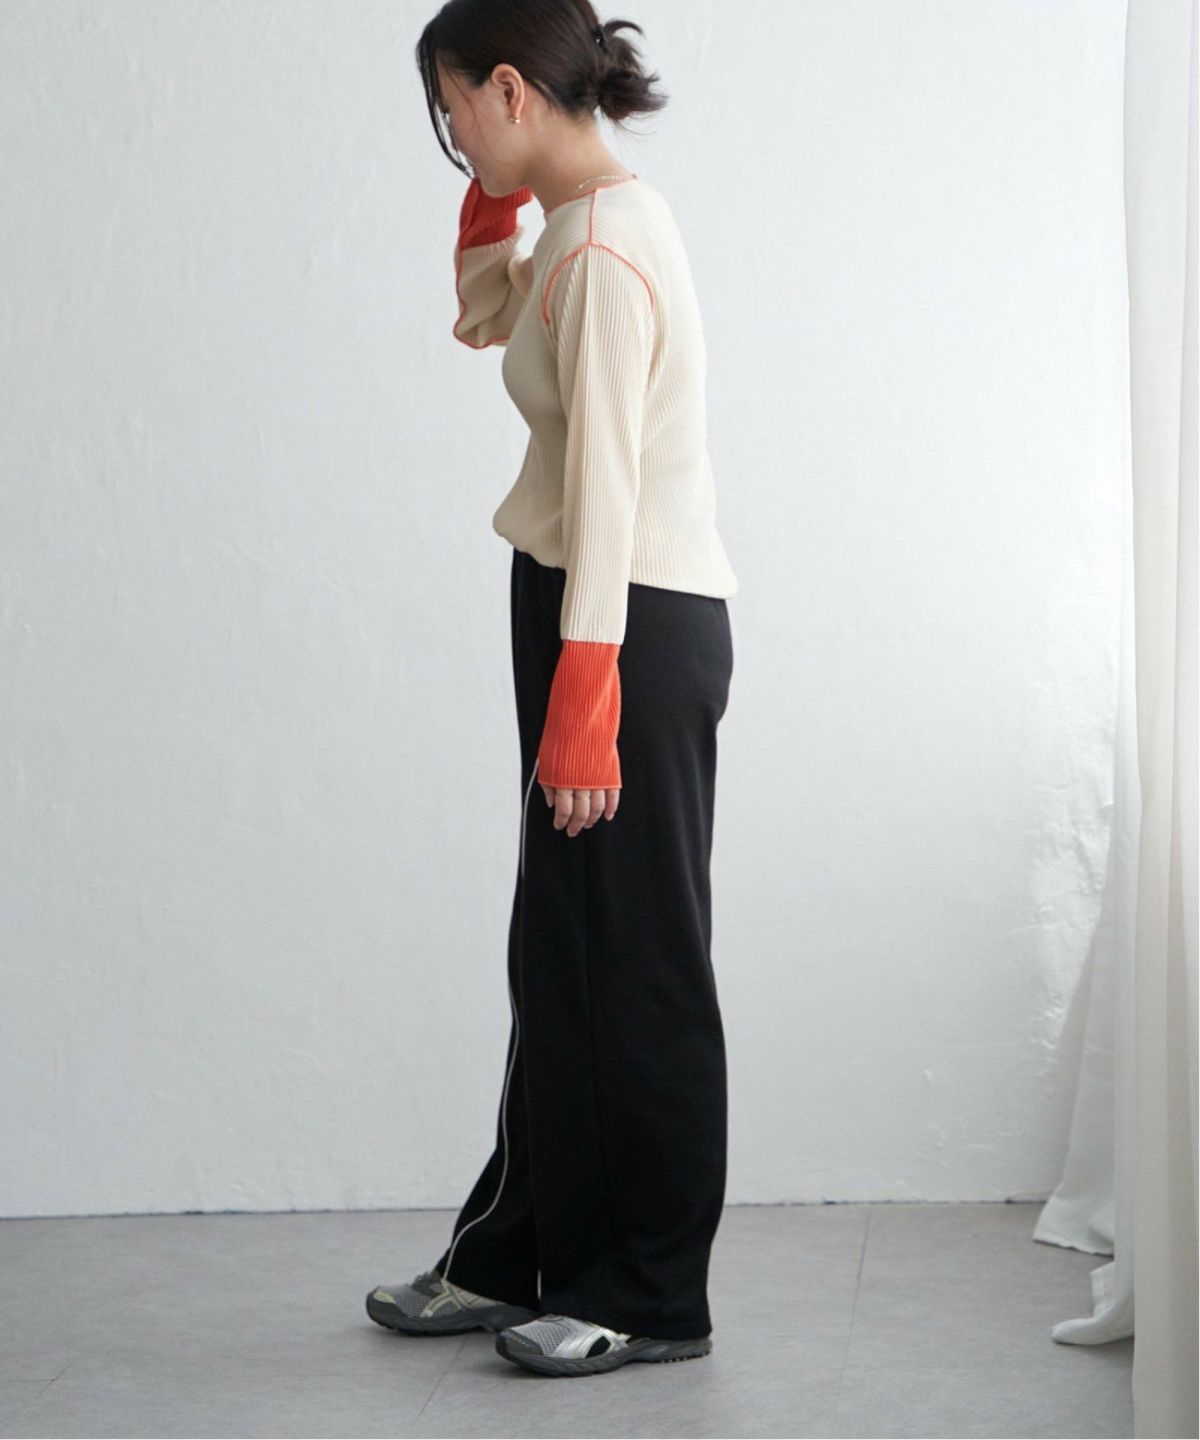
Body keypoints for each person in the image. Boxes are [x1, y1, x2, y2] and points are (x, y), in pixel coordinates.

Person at [366, 0, 738, 1379]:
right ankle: (518, 1248)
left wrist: (589, 701)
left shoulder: (604, 249)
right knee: (562, 949)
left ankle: (651, 1292)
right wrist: (490, 200)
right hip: (585, 607)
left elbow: (609, 493)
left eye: (455, 108)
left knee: (637, 961)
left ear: (512, 88)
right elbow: (486, 321)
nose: (452, 133)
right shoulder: (576, 228)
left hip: (625, 623)